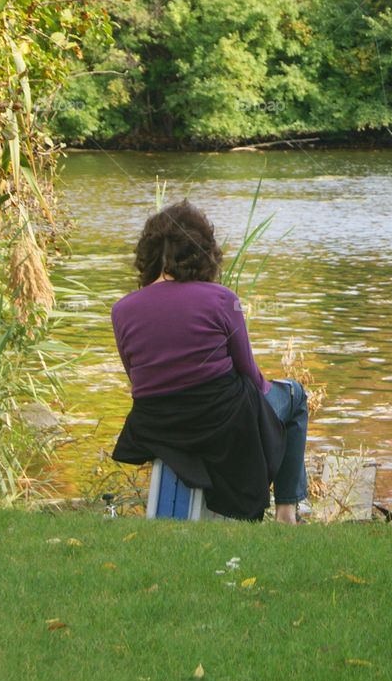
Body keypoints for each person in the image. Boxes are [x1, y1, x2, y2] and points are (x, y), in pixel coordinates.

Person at [110, 200, 308, 523]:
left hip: (160, 427)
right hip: (221, 424)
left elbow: (138, 379)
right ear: (204, 252)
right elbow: (252, 377)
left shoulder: (121, 310)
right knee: (295, 396)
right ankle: (287, 512)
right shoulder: (222, 300)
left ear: (147, 254)